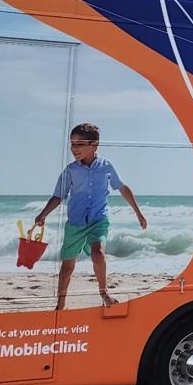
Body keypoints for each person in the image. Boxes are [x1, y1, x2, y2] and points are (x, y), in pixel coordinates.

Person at [34, 123, 146, 310]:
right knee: (67, 267)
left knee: (98, 253)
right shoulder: (71, 170)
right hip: (75, 223)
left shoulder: (106, 166)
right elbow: (58, 196)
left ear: (94, 145)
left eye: (80, 144)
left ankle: (104, 294)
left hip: (98, 219)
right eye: (72, 144)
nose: (74, 148)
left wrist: (138, 212)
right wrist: (43, 214)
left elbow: (122, 188)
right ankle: (60, 305)